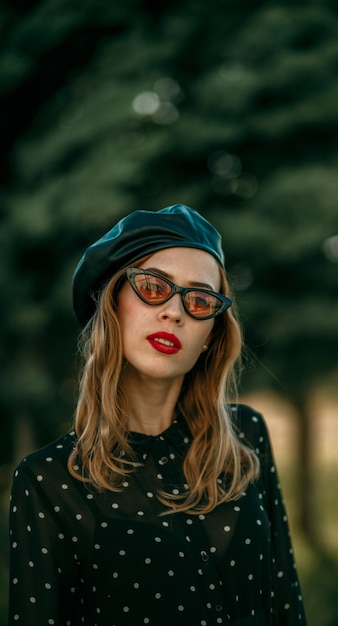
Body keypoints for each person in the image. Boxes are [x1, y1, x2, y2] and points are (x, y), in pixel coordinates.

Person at [8, 204, 308, 626]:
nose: (175, 311)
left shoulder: (247, 436)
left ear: (210, 336)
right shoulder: (49, 481)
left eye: (200, 299)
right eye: (153, 287)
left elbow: (286, 606)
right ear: (113, 306)